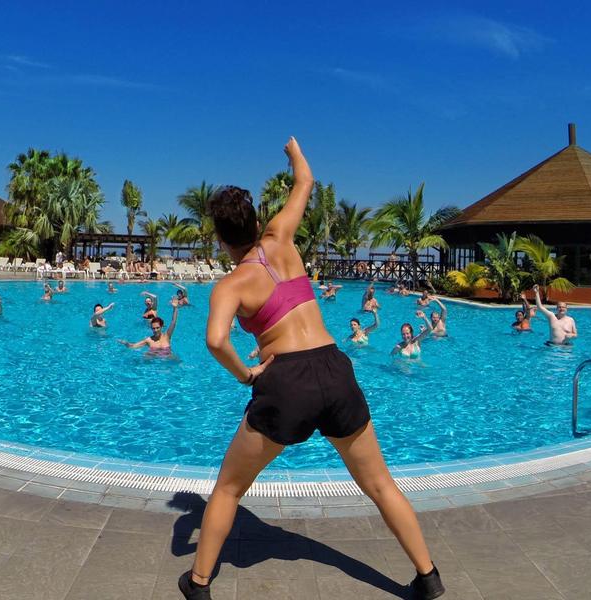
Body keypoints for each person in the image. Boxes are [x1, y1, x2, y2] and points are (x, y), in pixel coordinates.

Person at [177, 138, 443, 600]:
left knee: (228, 489)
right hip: (334, 367)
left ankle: (198, 584)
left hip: (286, 381)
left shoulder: (231, 285)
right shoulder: (280, 237)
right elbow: (305, 180)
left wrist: (246, 375)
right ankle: (428, 576)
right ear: (256, 222)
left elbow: (216, 341)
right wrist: (294, 152)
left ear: (218, 238)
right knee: (380, 484)